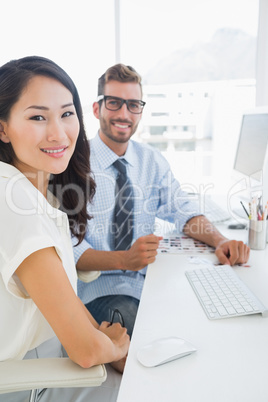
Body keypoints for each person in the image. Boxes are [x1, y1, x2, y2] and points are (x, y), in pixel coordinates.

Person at [72, 63, 250, 337]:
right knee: (154, 342)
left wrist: (221, 241)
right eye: (114, 103)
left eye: (133, 105)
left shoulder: (151, 161)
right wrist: (124, 260)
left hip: (149, 283)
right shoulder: (75, 165)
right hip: (101, 290)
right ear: (97, 109)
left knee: (203, 325)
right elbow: (70, 251)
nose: (124, 113)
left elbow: (182, 209)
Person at [0, 56, 130, 402]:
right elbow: (86, 352)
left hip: (48, 357)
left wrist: (100, 336)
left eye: (66, 113)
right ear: (3, 128)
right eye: (38, 117)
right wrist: (112, 347)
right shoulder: (14, 202)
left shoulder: (36, 190)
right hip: (25, 381)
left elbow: (62, 295)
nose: (58, 133)